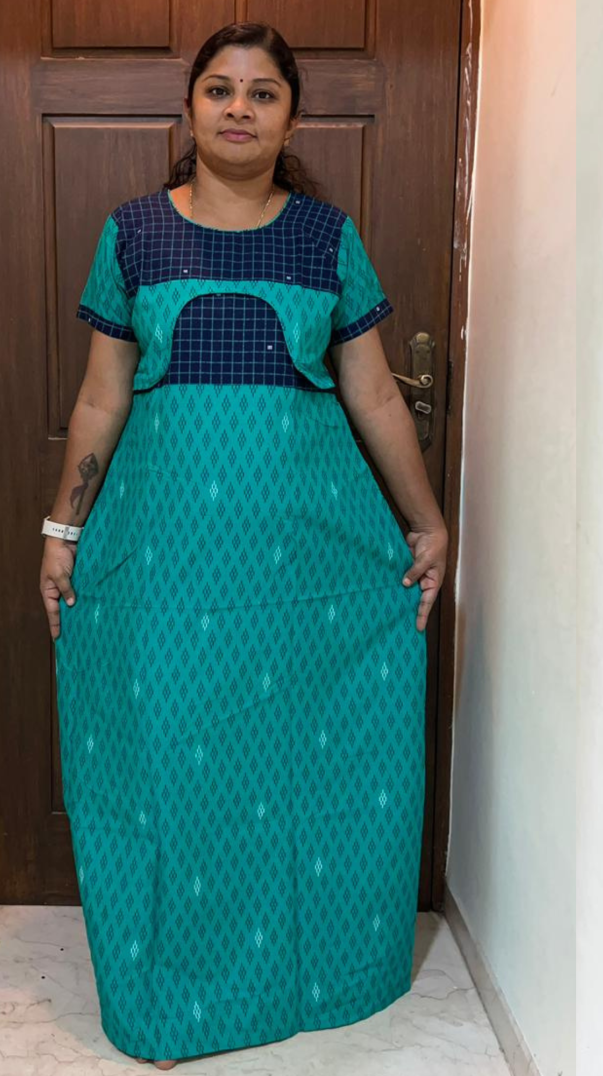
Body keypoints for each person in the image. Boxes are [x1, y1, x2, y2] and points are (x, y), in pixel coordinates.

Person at [39, 20, 448, 1070]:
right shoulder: (133, 233)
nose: (238, 108)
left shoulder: (327, 238)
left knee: (306, 759)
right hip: (164, 560)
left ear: (291, 120)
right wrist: (61, 530)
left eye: (263, 93)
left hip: (308, 562)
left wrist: (425, 520)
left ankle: (323, 974)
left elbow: (372, 393)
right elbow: (100, 397)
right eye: (219, 88)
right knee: (171, 760)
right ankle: (178, 993)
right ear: (189, 109)